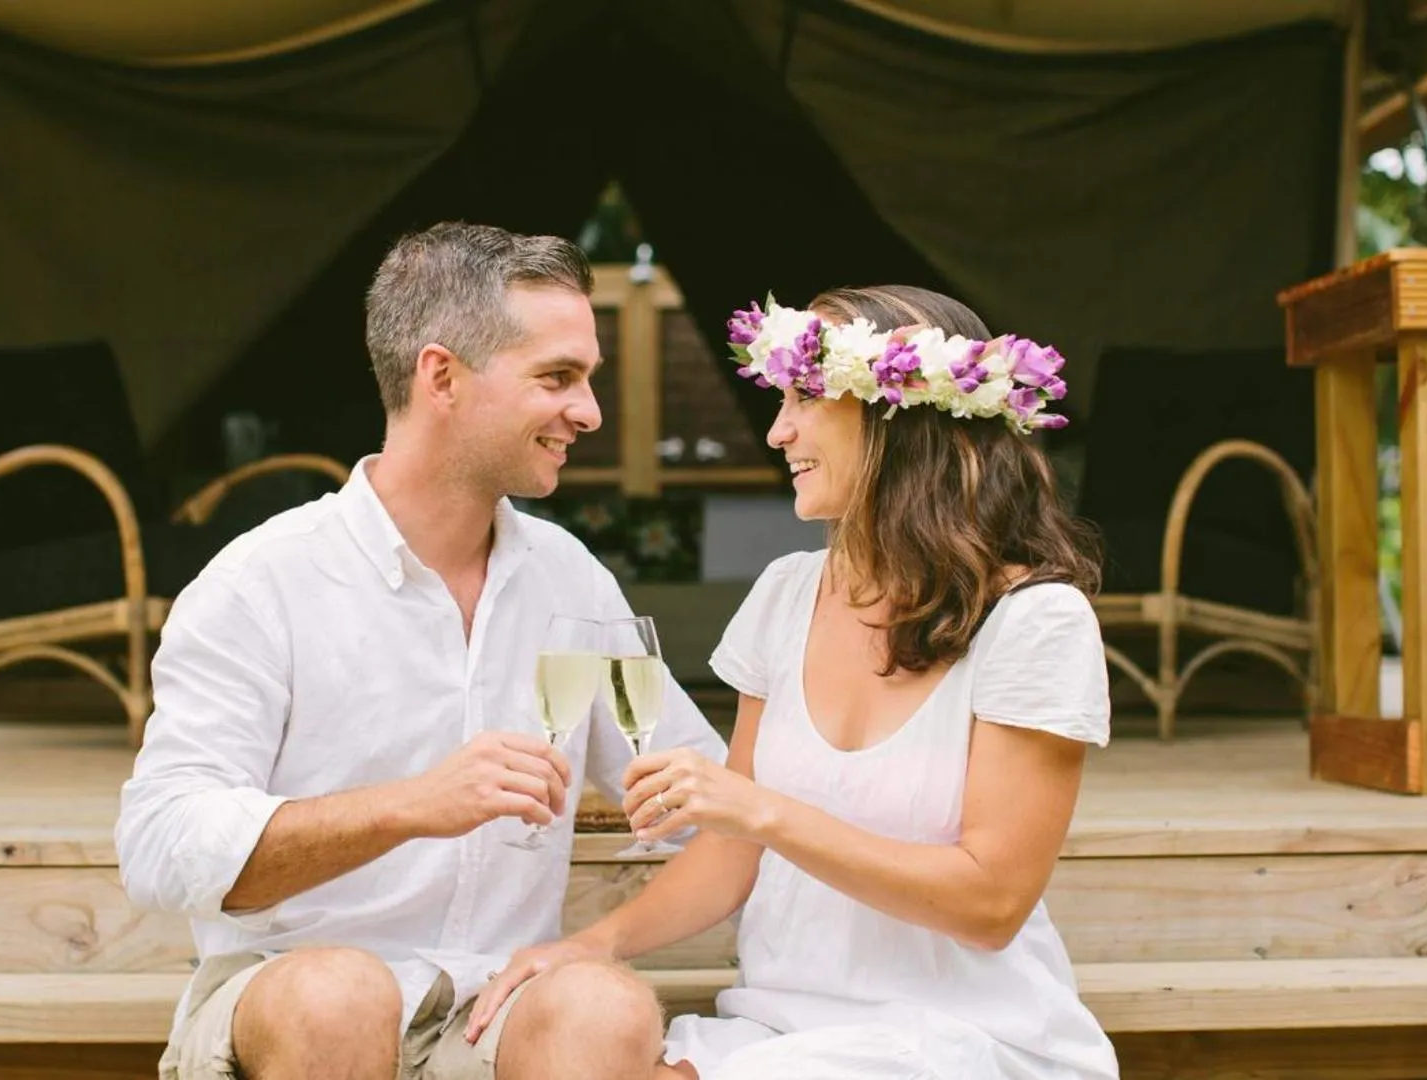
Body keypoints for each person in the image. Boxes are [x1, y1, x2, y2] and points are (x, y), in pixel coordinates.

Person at [115, 221, 728, 1080]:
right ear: (442, 376)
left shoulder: (572, 582)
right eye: (558, 377)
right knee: (338, 996)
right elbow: (158, 844)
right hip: (291, 998)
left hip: (492, 1011)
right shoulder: (260, 582)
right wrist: (411, 805)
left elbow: (700, 793)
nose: (589, 412)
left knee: (603, 1005)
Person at [468, 285, 1119, 1079]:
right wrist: (588, 945)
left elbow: (990, 905)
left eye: (805, 398)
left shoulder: (1034, 622)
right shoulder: (786, 593)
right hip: (778, 1028)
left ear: (899, 416)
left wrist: (764, 812)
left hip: (965, 1035)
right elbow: (731, 850)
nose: (779, 431)